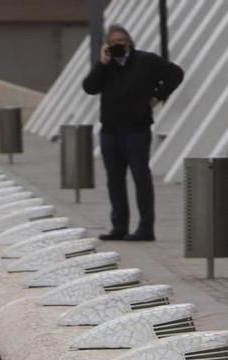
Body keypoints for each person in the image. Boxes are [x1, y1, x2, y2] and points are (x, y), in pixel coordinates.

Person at [80, 25, 184, 242]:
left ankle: (146, 229)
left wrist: (157, 96)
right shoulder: (106, 66)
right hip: (110, 131)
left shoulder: (146, 60)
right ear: (107, 45)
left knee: (140, 178)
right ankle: (119, 227)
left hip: (137, 129)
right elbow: (90, 88)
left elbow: (175, 73)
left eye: (122, 40)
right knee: (114, 180)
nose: (118, 45)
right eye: (113, 41)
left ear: (129, 42)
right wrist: (102, 63)